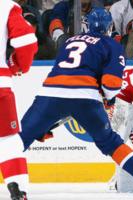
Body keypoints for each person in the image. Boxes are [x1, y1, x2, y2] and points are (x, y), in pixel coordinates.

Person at [18, 7, 133, 196]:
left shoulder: (69, 41)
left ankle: (13, 180)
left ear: (86, 25)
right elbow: (111, 84)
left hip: (50, 93)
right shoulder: (111, 44)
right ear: (109, 27)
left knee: (19, 139)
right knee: (110, 142)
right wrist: (109, 99)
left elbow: (65, 76)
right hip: (85, 98)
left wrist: (43, 125)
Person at [0, 0, 38, 199]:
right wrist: (17, 65)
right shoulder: (5, 6)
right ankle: (17, 188)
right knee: (7, 141)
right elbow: (26, 42)